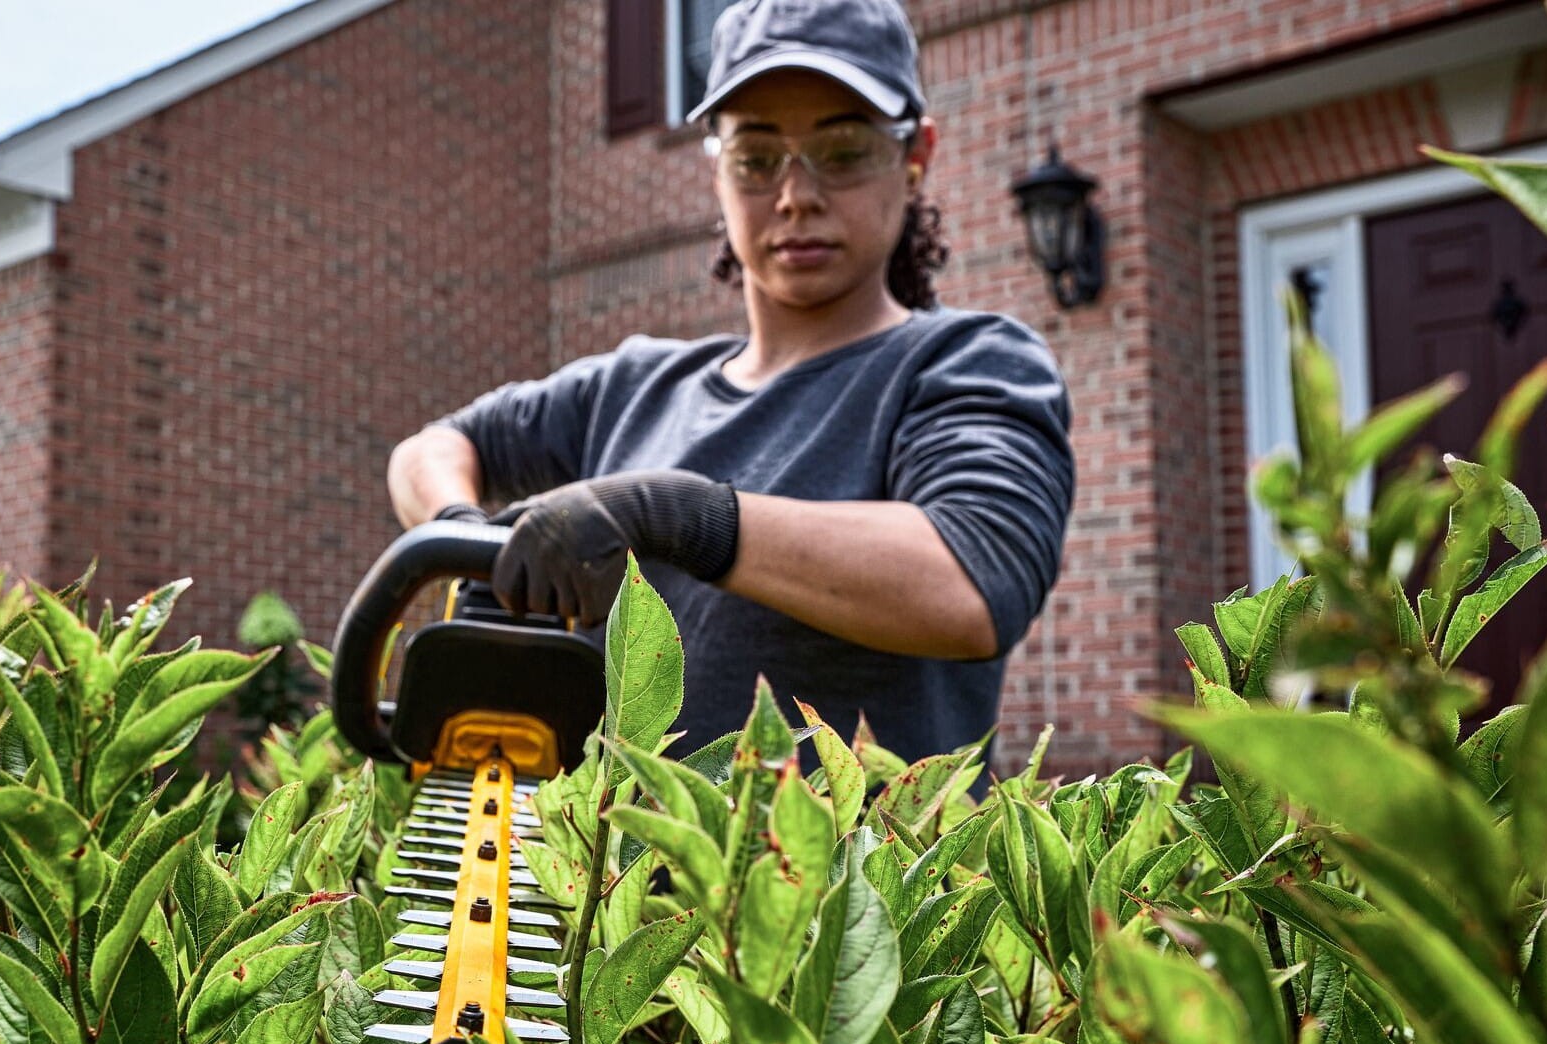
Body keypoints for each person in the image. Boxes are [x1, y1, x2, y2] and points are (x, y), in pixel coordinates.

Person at [385, 0, 1074, 765]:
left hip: (842, 848)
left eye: (843, 151)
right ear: (716, 168)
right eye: (756, 157)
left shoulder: (966, 363)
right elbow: (431, 449)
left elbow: (972, 583)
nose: (796, 195)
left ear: (916, 158)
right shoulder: (632, 387)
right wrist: (467, 536)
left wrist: (677, 514)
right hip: (598, 847)